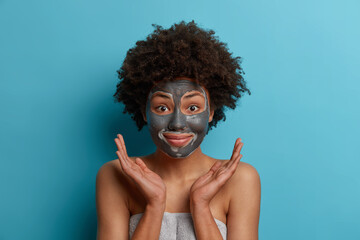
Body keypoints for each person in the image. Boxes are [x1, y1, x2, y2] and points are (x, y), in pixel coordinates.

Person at [96, 21, 261, 240]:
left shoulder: (240, 179)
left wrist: (201, 205)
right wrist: (154, 205)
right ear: (145, 112)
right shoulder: (116, 175)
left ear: (211, 112)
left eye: (192, 107)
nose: (177, 123)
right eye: (162, 107)